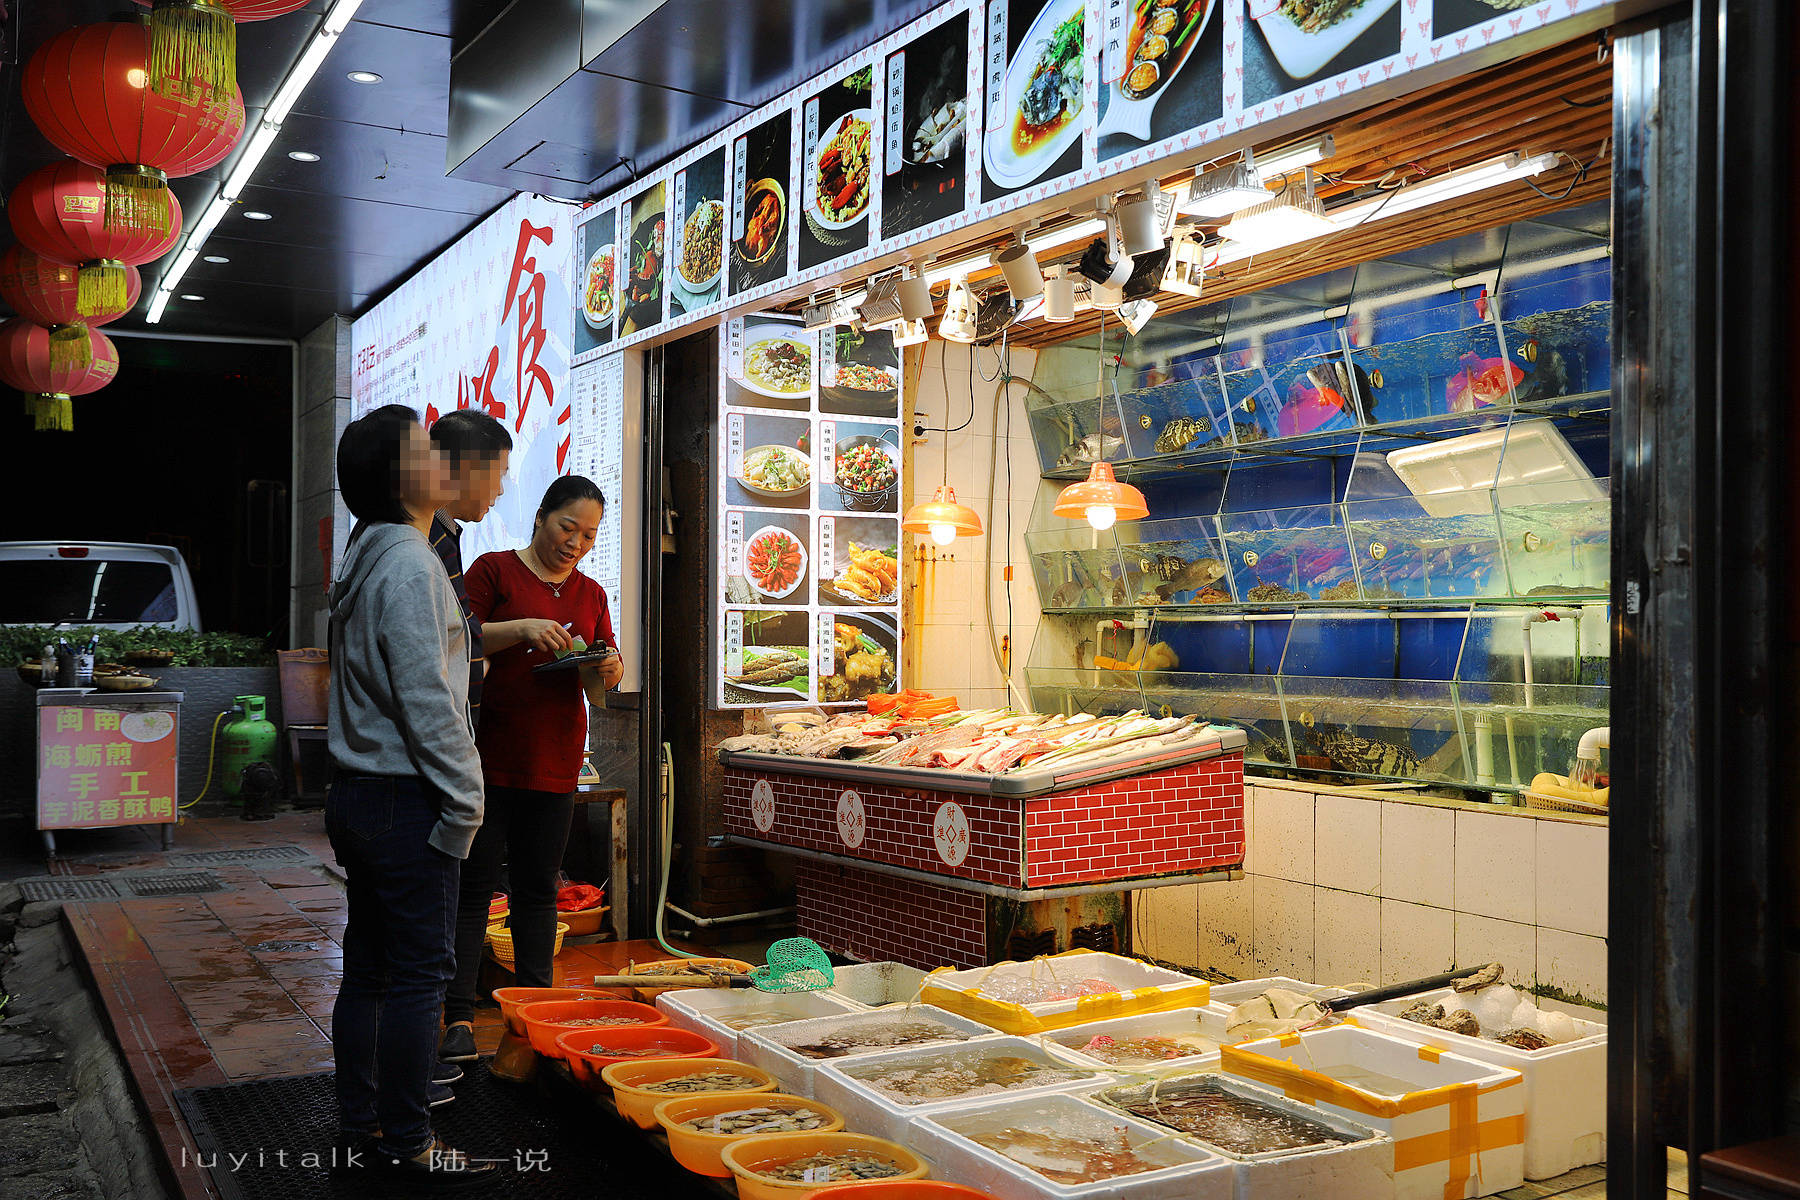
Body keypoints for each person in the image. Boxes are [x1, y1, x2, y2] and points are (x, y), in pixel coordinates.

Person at [327, 404, 494, 1186]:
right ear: (401, 477)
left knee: (370, 969)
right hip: (406, 798)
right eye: (427, 448)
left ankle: (363, 1124)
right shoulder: (409, 563)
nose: (443, 458)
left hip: (362, 794)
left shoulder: (369, 552)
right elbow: (428, 700)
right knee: (420, 977)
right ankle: (409, 1142)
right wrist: (466, 799)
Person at [439, 475, 624, 1062]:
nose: (576, 543)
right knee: (474, 890)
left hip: (556, 758)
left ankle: (535, 1012)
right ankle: (458, 1017)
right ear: (542, 516)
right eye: (568, 527)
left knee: (539, 891)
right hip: (488, 758)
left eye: (589, 535)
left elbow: (598, 677)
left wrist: (608, 666)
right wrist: (521, 629)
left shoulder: (591, 594)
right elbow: (456, 641)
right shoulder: (494, 571)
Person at [427, 409, 513, 731]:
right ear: (466, 470)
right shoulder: (423, 540)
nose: (500, 490)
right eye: (499, 473)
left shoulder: (442, 531)